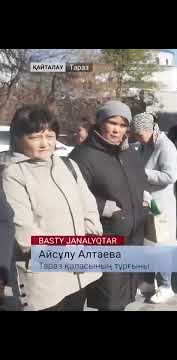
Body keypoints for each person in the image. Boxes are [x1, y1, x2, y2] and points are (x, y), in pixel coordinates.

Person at [1, 105, 103, 311]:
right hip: (45, 275)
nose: (45, 143)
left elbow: (87, 202)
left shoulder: (67, 165)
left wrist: (92, 227)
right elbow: (23, 228)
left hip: (79, 271)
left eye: (50, 136)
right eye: (35, 137)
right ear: (19, 137)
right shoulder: (13, 173)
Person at [69, 100, 149, 311]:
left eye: (123, 125)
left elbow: (139, 180)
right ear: (100, 122)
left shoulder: (130, 152)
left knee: (124, 298)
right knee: (110, 301)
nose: (117, 130)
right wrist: (102, 206)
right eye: (112, 123)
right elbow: (70, 195)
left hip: (133, 237)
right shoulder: (82, 156)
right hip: (105, 239)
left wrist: (143, 197)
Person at [131, 112, 177, 304]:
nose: (136, 138)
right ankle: (149, 282)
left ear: (149, 130)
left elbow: (170, 176)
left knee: (162, 246)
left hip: (161, 206)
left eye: (138, 134)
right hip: (147, 203)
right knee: (149, 245)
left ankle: (167, 286)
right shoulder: (144, 146)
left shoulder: (166, 146)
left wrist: (143, 173)